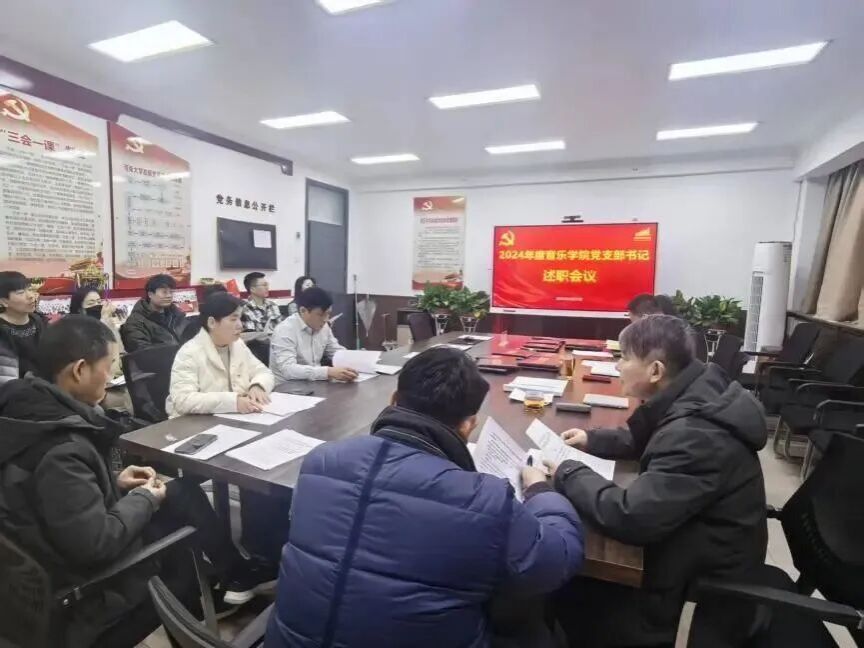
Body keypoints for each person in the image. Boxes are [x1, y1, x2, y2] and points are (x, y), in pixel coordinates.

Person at [265, 347, 584, 648]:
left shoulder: (320, 461)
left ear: (393, 400)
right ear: (468, 426)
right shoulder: (484, 499)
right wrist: (539, 490)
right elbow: (557, 559)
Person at [0, 316, 270, 648]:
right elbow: (96, 544)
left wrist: (113, 481)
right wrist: (145, 498)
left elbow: (48, 494)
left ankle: (234, 572)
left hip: (42, 567)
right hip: (85, 596)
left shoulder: (23, 415)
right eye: (109, 366)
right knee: (181, 536)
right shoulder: (61, 448)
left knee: (181, 493)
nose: (112, 376)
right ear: (80, 370)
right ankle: (200, 598)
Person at [541, 315, 768, 647]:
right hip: (690, 557)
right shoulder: (700, 387)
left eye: (624, 358)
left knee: (555, 590)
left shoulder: (698, 436)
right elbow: (654, 432)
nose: (617, 366)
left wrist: (568, 471)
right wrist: (594, 440)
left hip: (696, 601)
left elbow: (630, 517)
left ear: (656, 371)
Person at [167, 292, 274, 417]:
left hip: (237, 418)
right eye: (233, 319)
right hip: (197, 422)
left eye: (240, 318)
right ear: (212, 323)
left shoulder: (238, 344)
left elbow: (263, 371)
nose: (240, 325)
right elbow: (183, 400)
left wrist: (258, 385)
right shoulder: (189, 352)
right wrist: (233, 402)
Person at [270, 286, 358, 383]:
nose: (326, 319)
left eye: (328, 314)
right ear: (303, 311)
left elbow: (335, 351)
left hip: (315, 384)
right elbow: (288, 370)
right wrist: (327, 372)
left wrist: (356, 359)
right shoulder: (285, 330)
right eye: (321, 315)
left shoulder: (324, 326)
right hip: (287, 387)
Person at [120, 274, 187, 352]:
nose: (169, 296)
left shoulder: (176, 315)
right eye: (164, 292)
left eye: (171, 292)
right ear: (150, 294)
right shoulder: (136, 322)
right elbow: (142, 351)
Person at [0, 271, 44, 382]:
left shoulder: (39, 320)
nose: (31, 296)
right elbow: (6, 377)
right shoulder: (2, 330)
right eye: (20, 292)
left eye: (30, 289)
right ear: (4, 301)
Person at [241, 272, 283, 340]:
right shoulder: (244, 309)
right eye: (264, 285)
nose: (267, 287)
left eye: (267, 284)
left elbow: (281, 327)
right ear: (252, 289)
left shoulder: (273, 305)